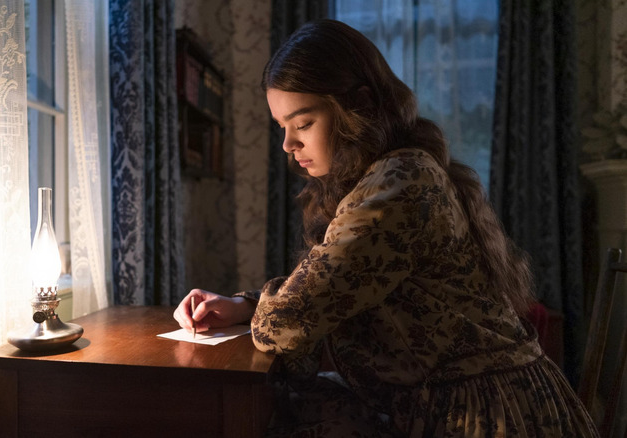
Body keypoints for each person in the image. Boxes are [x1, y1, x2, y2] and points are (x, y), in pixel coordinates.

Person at [174, 19, 597, 437]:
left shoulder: (400, 182)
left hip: (487, 415)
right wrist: (244, 304)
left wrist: (262, 309)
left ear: (360, 105)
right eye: (282, 127)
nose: (288, 144)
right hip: (462, 399)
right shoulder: (393, 173)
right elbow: (329, 289)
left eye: (302, 124)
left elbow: (287, 321)